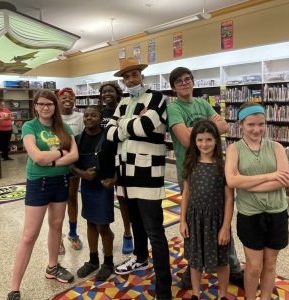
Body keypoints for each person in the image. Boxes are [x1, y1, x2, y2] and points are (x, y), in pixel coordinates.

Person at [165, 67, 245, 289]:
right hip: (190, 170)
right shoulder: (173, 108)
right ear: (173, 87)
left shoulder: (202, 103)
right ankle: (194, 266)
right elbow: (185, 140)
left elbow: (225, 126)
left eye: (188, 79)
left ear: (192, 82)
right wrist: (209, 127)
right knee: (193, 223)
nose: (184, 83)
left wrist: (195, 130)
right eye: (179, 81)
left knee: (221, 222)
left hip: (215, 169)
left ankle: (234, 269)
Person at [106, 58, 172, 299]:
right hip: (124, 172)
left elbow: (145, 127)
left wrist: (123, 125)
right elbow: (110, 132)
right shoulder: (123, 101)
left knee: (155, 229)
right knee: (135, 221)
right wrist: (130, 124)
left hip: (148, 172)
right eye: (126, 77)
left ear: (142, 75)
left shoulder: (157, 98)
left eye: (134, 74)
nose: (131, 79)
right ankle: (140, 258)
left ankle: (164, 287)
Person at [8, 90, 78, 300]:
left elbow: (74, 154)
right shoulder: (30, 126)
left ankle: (52, 267)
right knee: (29, 235)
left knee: (56, 226)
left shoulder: (63, 127)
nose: (46, 107)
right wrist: (59, 154)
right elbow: (37, 157)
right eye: (41, 104)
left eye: (50, 104)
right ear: (35, 106)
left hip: (62, 182)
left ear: (55, 107)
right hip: (39, 183)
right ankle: (14, 287)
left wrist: (54, 161)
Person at [224, 102, 289, 300]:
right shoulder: (234, 150)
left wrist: (246, 183)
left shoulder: (276, 147)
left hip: (277, 213)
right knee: (253, 267)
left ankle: (265, 297)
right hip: (250, 215)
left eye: (261, 124)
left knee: (270, 264)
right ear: (241, 125)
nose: (257, 129)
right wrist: (271, 176)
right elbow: (232, 181)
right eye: (251, 124)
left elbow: (285, 180)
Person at [179, 120, 234, 300]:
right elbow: (186, 193)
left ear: (216, 141)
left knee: (221, 260)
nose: (204, 144)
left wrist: (226, 227)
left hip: (217, 222)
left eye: (209, 140)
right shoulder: (190, 163)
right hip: (194, 220)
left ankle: (223, 294)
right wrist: (182, 220)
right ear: (194, 141)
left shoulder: (223, 165)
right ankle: (196, 293)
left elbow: (229, 198)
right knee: (195, 260)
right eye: (200, 140)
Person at [71, 105, 117, 281]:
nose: (89, 118)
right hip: (88, 187)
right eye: (86, 115)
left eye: (93, 115)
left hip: (104, 186)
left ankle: (108, 262)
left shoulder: (109, 137)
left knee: (103, 225)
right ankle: (93, 260)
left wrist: (114, 180)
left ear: (100, 118)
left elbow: (119, 160)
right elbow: (71, 164)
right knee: (90, 223)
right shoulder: (77, 139)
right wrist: (82, 174)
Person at [98, 81, 134, 254]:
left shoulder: (125, 109)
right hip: (104, 160)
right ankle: (105, 232)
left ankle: (128, 234)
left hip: (122, 158)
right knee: (103, 197)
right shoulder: (99, 112)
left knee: (123, 199)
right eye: (104, 92)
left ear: (117, 93)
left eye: (110, 91)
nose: (107, 94)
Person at [58, 87, 84, 253]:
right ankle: (57, 237)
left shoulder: (80, 117)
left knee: (72, 198)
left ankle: (73, 233)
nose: (67, 100)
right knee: (57, 202)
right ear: (58, 99)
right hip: (56, 166)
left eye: (71, 97)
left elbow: (83, 140)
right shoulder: (54, 117)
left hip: (74, 165)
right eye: (64, 97)